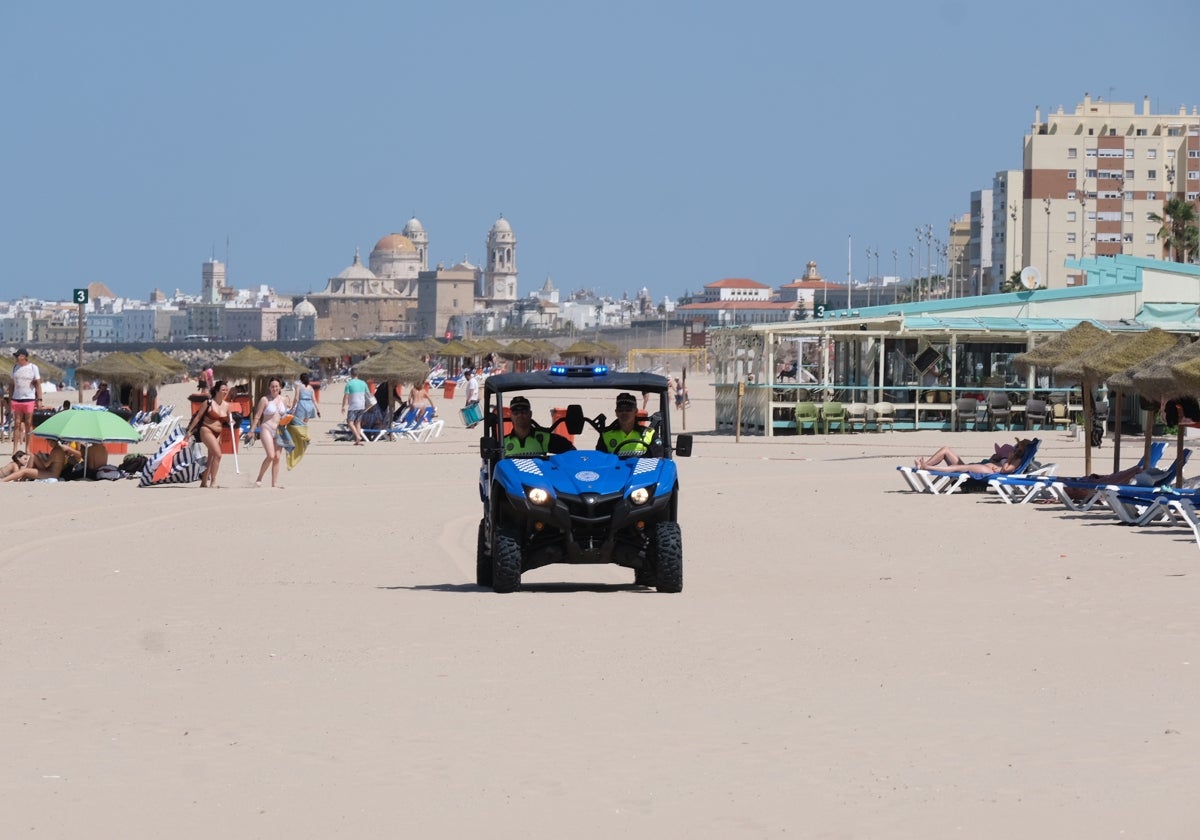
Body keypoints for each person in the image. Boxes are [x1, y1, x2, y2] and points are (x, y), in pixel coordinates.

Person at [185, 379, 235, 488]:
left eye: (226, 390)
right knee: (218, 454)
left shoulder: (227, 406)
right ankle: (214, 481)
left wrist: (231, 422)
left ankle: (203, 482)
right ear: (217, 391)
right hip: (206, 430)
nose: (225, 392)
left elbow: (228, 420)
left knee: (211, 458)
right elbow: (198, 417)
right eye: (223, 390)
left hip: (218, 433)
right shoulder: (208, 403)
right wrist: (189, 431)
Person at [503, 396, 573, 456]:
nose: (520, 415)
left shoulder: (545, 438)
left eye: (523, 412)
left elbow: (572, 452)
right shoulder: (503, 443)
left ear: (530, 414)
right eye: (516, 413)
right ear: (511, 416)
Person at [252, 377, 289, 488]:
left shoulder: (284, 400)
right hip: (267, 428)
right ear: (269, 387)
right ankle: (259, 478)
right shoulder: (265, 399)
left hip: (279, 430)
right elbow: (258, 416)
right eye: (272, 386)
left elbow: (286, 415)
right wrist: (252, 430)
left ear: (280, 387)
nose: (274, 388)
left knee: (277, 457)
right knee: (271, 455)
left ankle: (274, 483)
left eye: (276, 386)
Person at [916, 440, 1029, 475]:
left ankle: (928, 467)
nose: (1015, 448)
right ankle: (923, 465)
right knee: (946, 449)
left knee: (955, 468)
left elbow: (1005, 470)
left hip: (987, 471)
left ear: (1021, 450)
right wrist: (995, 459)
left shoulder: (1017, 460)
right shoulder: (1013, 457)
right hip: (984, 466)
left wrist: (1009, 459)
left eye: (1017, 447)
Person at [9, 349, 42, 455]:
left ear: (24, 356)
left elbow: (37, 384)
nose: (16, 358)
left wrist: (39, 399)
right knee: (17, 424)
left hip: (29, 398)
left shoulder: (33, 367)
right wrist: (10, 399)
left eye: (18, 356)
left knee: (28, 423)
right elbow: (11, 384)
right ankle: (15, 448)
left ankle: (27, 448)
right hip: (16, 398)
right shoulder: (14, 368)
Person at [341, 368, 368, 445]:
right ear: (358, 374)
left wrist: (343, 406)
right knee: (358, 423)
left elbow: (346, 396)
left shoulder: (349, 383)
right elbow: (368, 394)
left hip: (353, 405)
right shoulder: (363, 383)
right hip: (362, 405)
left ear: (351, 374)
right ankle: (357, 440)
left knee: (350, 422)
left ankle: (357, 436)